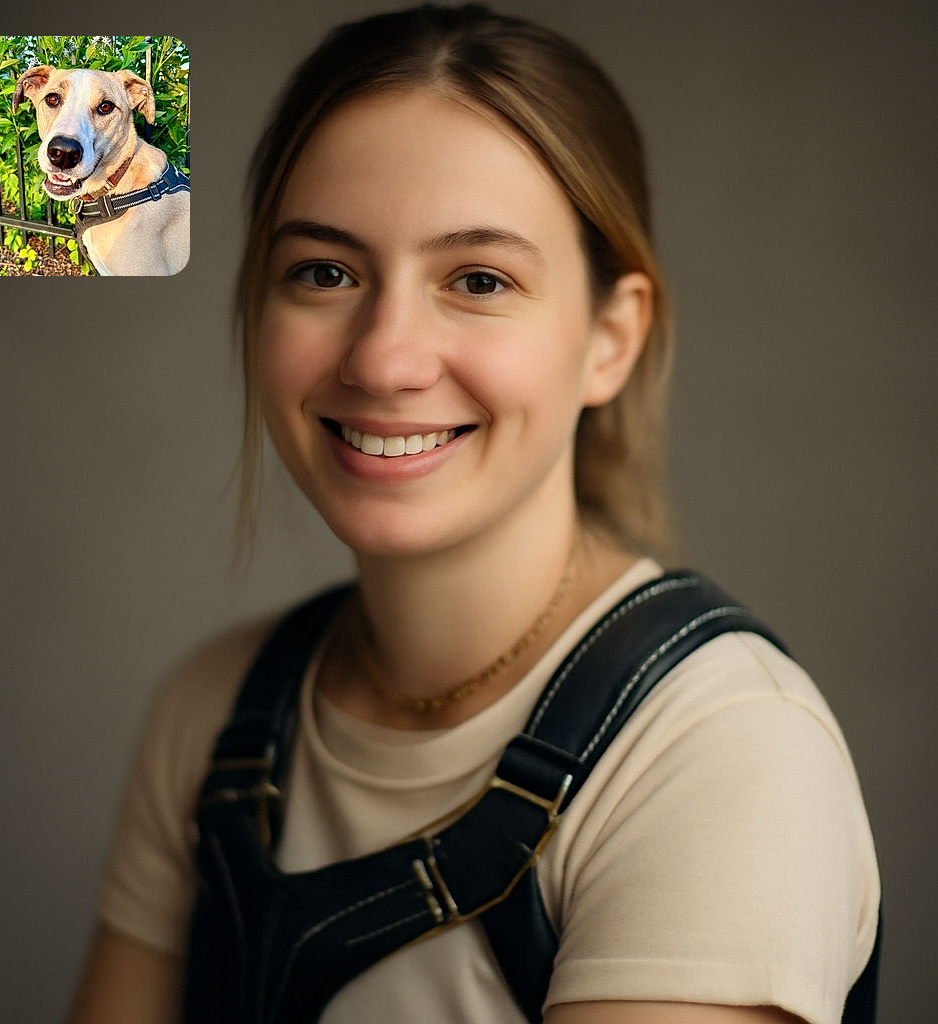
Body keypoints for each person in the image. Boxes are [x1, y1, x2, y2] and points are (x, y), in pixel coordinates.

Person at [65, 5, 880, 1023]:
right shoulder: (213, 713)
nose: (383, 357)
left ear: (610, 338)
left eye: (479, 279)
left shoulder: (719, 752)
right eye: (325, 272)